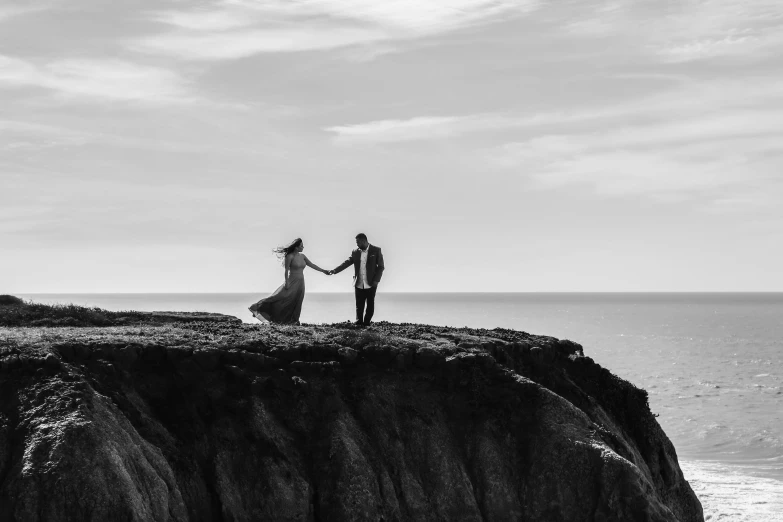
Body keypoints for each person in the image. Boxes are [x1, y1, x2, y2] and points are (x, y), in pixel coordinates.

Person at [249, 238, 329, 324]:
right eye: (301, 246)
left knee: (297, 300)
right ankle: (256, 307)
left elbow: (312, 265)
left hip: (301, 282)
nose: (303, 247)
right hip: (291, 281)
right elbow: (286, 271)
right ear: (296, 247)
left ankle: (294, 320)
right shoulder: (289, 256)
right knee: (279, 297)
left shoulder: (303, 256)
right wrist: (286, 282)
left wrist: (323, 271)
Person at [329, 233, 385, 326]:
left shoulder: (376, 250)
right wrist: (335, 270)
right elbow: (347, 263)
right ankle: (359, 321)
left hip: (371, 283)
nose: (357, 244)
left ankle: (367, 323)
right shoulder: (355, 252)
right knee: (359, 304)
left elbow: (381, 267)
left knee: (370, 304)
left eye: (358, 242)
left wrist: (376, 281)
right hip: (358, 282)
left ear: (364, 241)